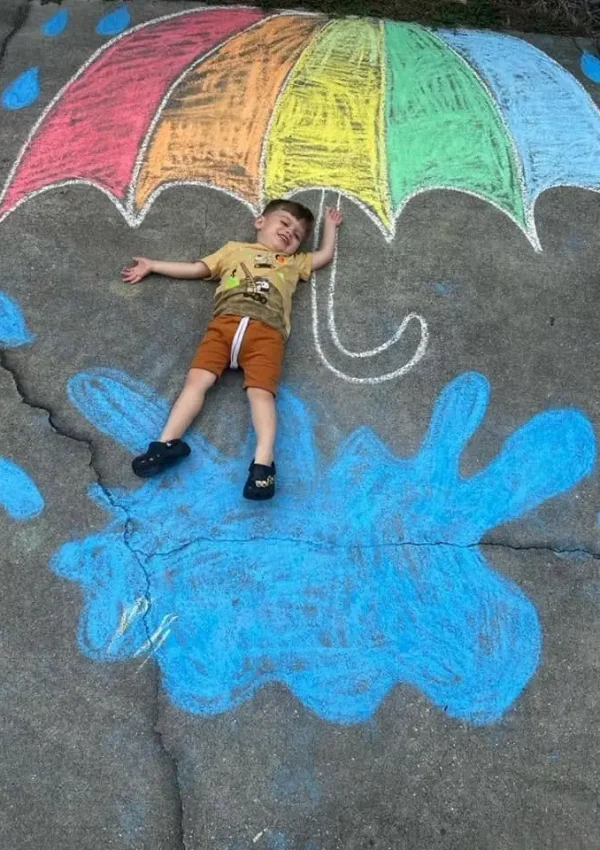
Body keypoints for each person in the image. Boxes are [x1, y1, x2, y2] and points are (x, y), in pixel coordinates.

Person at [121, 199, 343, 500]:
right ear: (260, 222)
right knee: (196, 381)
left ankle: (263, 465)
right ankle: (166, 444)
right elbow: (196, 268)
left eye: (298, 235)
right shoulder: (234, 250)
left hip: (267, 335)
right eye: (284, 223)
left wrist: (330, 227)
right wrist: (154, 266)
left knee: (261, 394)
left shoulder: (294, 262)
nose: (290, 232)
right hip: (223, 327)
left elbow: (324, 255)